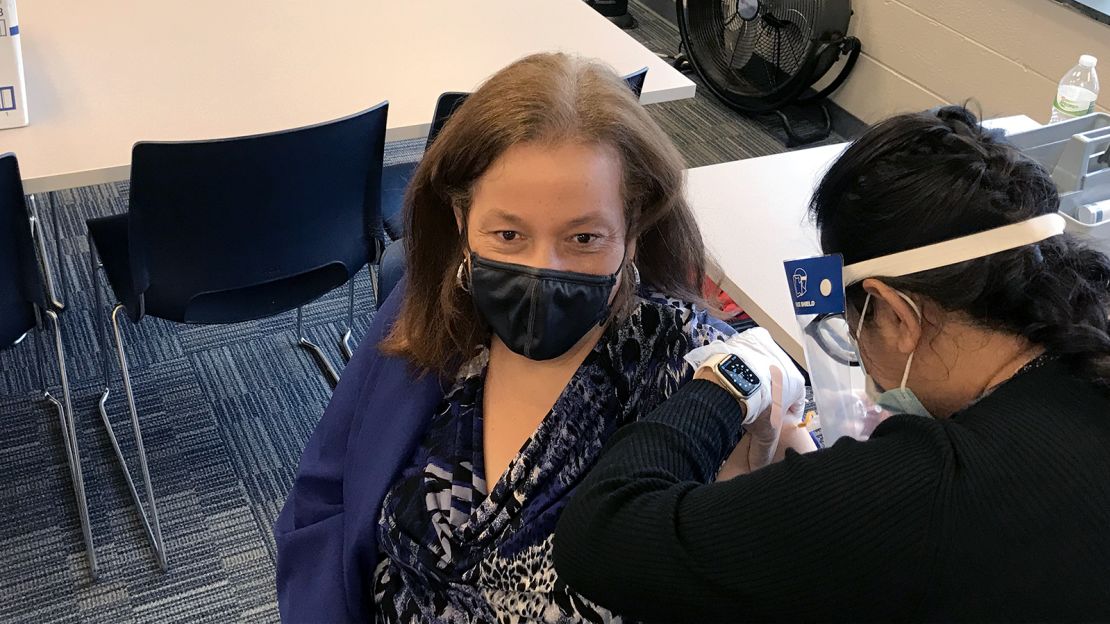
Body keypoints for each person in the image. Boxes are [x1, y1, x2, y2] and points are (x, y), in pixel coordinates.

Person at [552, 106, 1110, 622]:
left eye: (849, 327)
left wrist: (729, 377)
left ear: (896, 315)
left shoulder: (936, 489)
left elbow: (604, 533)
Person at [275, 52, 740, 622]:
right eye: (508, 233)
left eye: (585, 238)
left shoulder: (689, 377)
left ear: (634, 230)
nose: (542, 270)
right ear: (460, 218)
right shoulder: (426, 310)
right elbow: (326, 495)